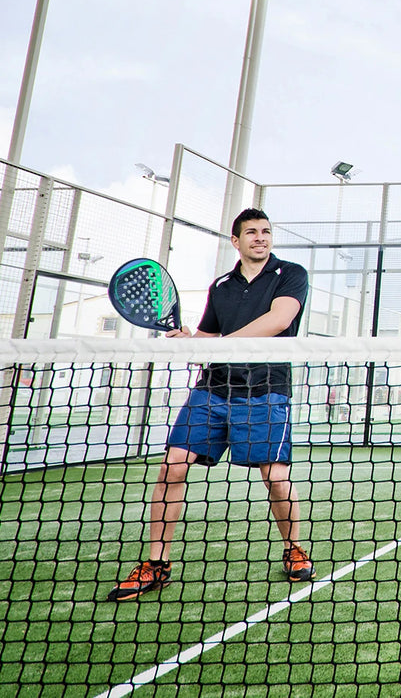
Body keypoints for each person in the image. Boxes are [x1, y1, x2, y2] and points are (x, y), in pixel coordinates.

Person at [107, 208, 314, 601]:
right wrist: (191, 340)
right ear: (235, 241)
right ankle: (157, 563)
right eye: (251, 232)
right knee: (172, 467)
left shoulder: (291, 275)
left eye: (266, 231)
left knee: (274, 477)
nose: (260, 238)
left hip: (266, 388)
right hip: (213, 389)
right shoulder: (220, 286)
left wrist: (214, 343)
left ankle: (293, 549)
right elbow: (206, 336)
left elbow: (279, 320)